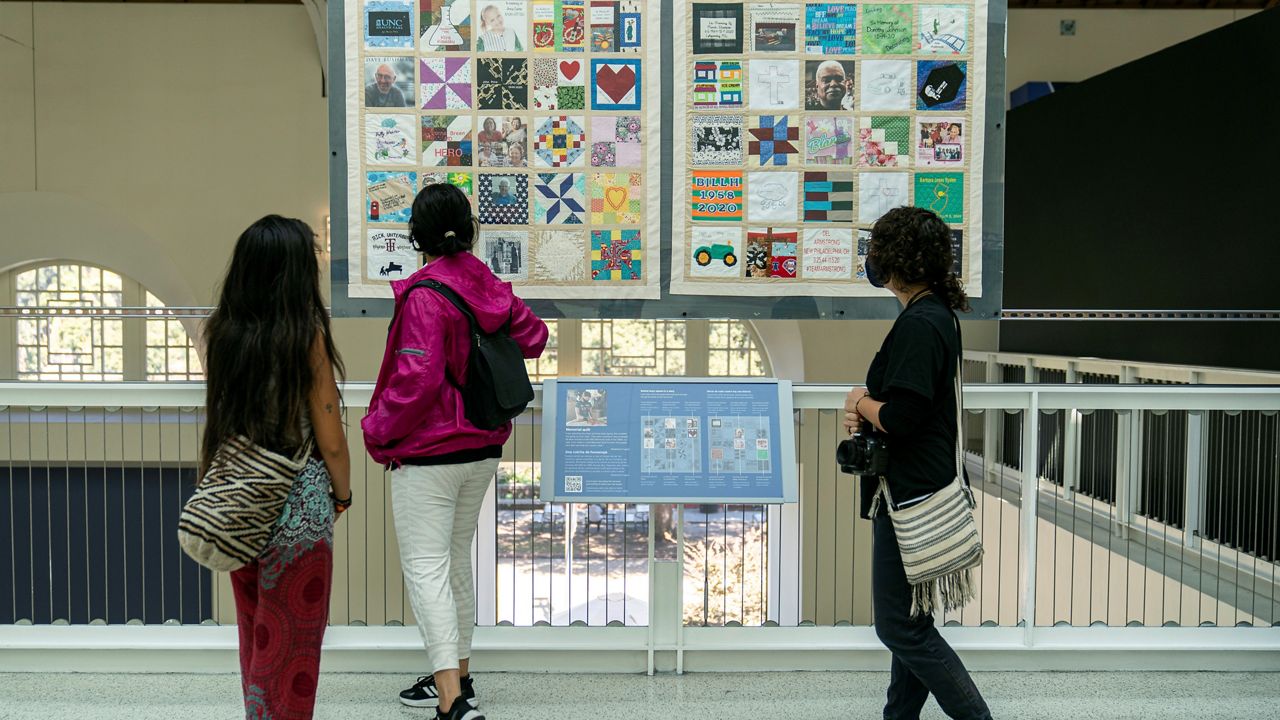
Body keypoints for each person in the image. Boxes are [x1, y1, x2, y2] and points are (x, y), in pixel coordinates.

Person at [362, 184, 548, 720]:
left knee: (426, 569)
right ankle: (459, 679)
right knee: (454, 565)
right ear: (469, 230)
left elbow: (416, 380)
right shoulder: (489, 285)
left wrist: (376, 431)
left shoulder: (424, 294)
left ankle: (451, 703)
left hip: (429, 454)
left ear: (417, 236)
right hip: (483, 448)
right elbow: (534, 338)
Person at [841, 206, 992, 720]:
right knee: (912, 615)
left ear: (896, 261)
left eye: (877, 249)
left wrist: (860, 403)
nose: (871, 259)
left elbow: (902, 417)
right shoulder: (934, 315)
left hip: (911, 495)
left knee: (899, 626)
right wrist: (870, 411)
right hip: (920, 485)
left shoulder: (919, 323)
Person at [201, 215, 351, 720]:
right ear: (294, 272)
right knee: (292, 652)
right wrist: (343, 495)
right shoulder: (304, 336)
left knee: (257, 635)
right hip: (298, 511)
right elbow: (329, 435)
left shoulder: (221, 333)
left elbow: (221, 420)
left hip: (239, 499)